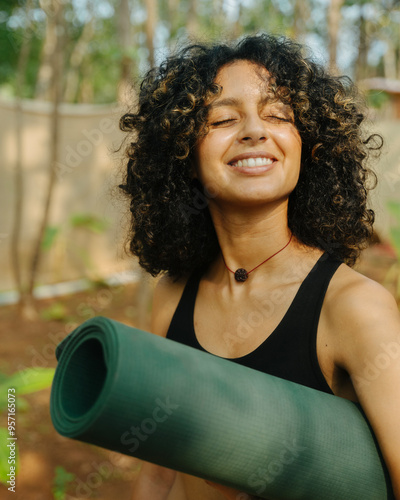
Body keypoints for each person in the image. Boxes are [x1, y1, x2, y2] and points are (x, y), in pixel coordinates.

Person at [119, 33, 400, 500]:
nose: (254, 130)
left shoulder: (356, 307)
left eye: (278, 115)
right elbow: (158, 472)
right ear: (184, 157)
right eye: (224, 119)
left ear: (308, 149)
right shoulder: (170, 297)